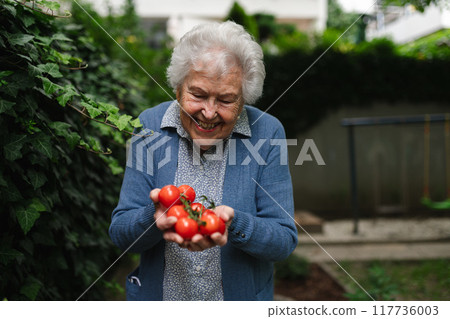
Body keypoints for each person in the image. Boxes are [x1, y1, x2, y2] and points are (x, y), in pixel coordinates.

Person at [109, 21, 298, 301]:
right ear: (178, 88)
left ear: (244, 99)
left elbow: (283, 241)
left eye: (226, 100)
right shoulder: (149, 126)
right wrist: (154, 218)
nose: (208, 113)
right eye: (197, 95)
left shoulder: (268, 133)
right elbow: (121, 234)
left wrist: (234, 224)